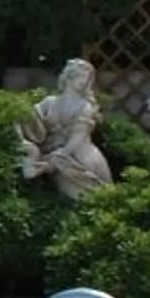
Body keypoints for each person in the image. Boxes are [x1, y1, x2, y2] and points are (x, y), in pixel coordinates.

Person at [18, 58, 113, 201]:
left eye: (87, 78)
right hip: (55, 156)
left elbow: (78, 138)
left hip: (80, 157)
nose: (84, 81)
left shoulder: (85, 107)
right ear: (69, 76)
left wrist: (58, 158)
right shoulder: (49, 103)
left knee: (85, 203)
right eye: (81, 76)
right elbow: (32, 125)